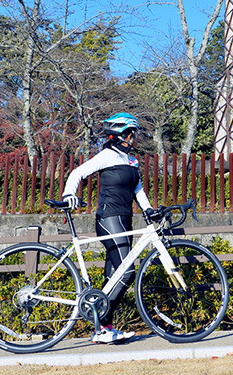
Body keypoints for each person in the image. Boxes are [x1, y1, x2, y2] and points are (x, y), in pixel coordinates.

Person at [61, 112, 157, 344]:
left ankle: (103, 330)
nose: (136, 137)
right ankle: (99, 317)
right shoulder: (107, 155)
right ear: (125, 134)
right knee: (127, 272)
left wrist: (149, 211)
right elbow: (78, 172)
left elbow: (138, 191)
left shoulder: (131, 161)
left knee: (112, 276)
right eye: (135, 133)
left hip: (125, 219)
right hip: (109, 218)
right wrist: (68, 194)